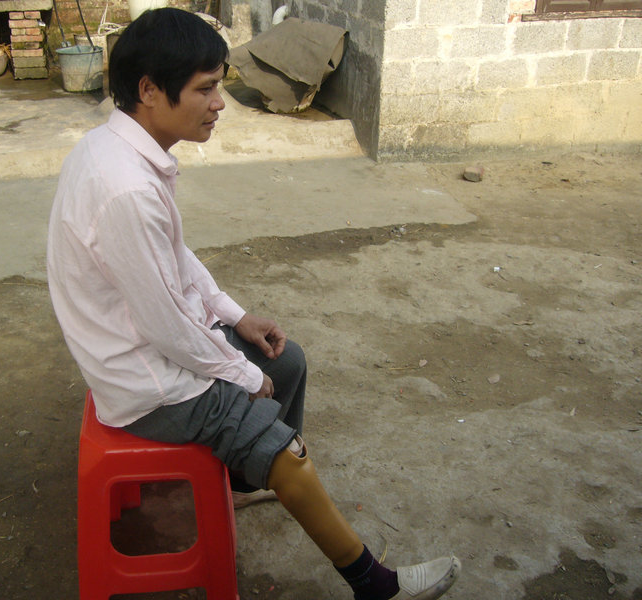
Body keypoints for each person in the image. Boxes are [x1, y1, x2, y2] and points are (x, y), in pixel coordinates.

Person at [46, 8, 460, 600]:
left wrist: (236, 318)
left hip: (142, 345)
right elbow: (167, 326)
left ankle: (238, 479)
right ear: (149, 90)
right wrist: (240, 375)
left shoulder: (117, 150)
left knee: (285, 363)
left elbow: (174, 259)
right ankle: (376, 584)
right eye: (205, 89)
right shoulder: (125, 189)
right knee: (282, 443)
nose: (220, 103)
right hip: (143, 380)